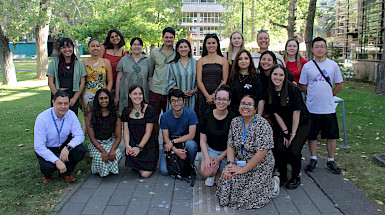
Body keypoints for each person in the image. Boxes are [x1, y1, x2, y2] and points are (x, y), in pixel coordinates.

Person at [216, 95, 280, 209]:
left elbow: (261, 153)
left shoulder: (263, 125)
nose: (245, 107)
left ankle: (272, 184)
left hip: (260, 164)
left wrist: (242, 170)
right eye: (243, 103)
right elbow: (230, 145)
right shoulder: (235, 122)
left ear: (255, 109)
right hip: (240, 160)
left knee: (244, 199)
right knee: (227, 185)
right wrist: (230, 165)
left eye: (249, 104)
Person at [299, 37, 343, 174]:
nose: (319, 49)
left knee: (331, 135)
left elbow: (339, 84)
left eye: (322, 46)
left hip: (328, 108)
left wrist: (330, 94)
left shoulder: (333, 65)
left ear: (326, 49)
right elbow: (303, 85)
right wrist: (312, 94)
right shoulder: (307, 66)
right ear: (312, 49)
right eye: (316, 47)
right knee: (312, 136)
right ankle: (313, 158)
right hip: (312, 107)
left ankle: (331, 160)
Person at [266, 64, 311, 189]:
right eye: (275, 74)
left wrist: (292, 134)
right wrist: (285, 132)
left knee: (293, 149)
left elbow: (297, 113)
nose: (278, 77)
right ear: (271, 75)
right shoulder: (269, 90)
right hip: (283, 124)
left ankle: (295, 176)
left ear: (285, 76)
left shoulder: (293, 89)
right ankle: (283, 175)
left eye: (281, 75)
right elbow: (275, 113)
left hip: (300, 123)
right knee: (280, 148)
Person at [34, 91, 86, 184]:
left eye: (66, 103)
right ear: (53, 103)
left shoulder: (71, 114)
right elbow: (39, 147)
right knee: (48, 167)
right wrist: (56, 160)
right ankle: (47, 175)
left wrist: (68, 147)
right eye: (60, 103)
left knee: (80, 150)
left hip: (63, 146)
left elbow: (80, 135)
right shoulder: (42, 118)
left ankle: (66, 173)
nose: (63, 107)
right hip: (48, 148)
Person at [200, 85, 236, 186]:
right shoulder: (206, 116)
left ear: (229, 102)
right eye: (219, 99)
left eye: (224, 99)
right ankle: (213, 173)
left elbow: (233, 144)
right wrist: (207, 158)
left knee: (222, 182)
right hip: (211, 151)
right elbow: (202, 140)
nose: (221, 102)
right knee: (207, 171)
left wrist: (219, 159)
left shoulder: (234, 118)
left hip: (227, 153)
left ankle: (219, 171)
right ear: (214, 100)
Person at [121, 85, 158, 178]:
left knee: (145, 174)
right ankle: (136, 163)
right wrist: (127, 146)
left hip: (147, 145)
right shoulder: (126, 111)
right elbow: (126, 131)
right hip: (133, 143)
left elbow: (148, 132)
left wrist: (139, 148)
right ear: (129, 95)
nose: (138, 96)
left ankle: (142, 164)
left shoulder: (149, 110)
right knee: (140, 170)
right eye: (135, 94)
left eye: (140, 94)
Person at [159, 89, 199, 176]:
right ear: (170, 102)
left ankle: (190, 165)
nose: (176, 104)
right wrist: (176, 150)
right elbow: (166, 138)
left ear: (184, 101)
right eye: (173, 101)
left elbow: (191, 135)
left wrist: (173, 142)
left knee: (192, 145)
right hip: (171, 145)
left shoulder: (191, 114)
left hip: (185, 142)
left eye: (179, 100)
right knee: (164, 171)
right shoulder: (164, 117)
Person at [86, 89, 123, 177]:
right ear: (97, 100)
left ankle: (107, 169)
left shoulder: (115, 115)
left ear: (109, 99)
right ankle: (97, 168)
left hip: (110, 142)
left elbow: (118, 137)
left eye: (106, 98)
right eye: (101, 98)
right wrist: (102, 150)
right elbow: (92, 137)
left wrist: (113, 150)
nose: (104, 101)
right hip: (96, 143)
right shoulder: (91, 115)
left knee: (114, 156)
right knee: (101, 158)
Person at [149, 27, 176, 141]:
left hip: (170, 91)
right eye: (166, 37)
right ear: (163, 38)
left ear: (174, 38)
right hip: (156, 90)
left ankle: (169, 145)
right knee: (154, 119)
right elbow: (151, 70)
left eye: (171, 37)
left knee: (170, 119)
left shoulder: (177, 52)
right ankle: (154, 144)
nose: (168, 39)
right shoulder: (155, 52)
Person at [47, 38, 86, 116]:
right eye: (64, 47)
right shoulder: (54, 63)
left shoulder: (79, 64)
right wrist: (58, 98)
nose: (67, 49)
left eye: (69, 46)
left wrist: (75, 98)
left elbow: (82, 82)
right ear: (60, 49)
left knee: (71, 121)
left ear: (73, 48)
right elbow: (50, 82)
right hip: (57, 94)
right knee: (57, 120)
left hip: (72, 96)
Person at [115, 37, 154, 112]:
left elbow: (150, 79)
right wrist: (117, 96)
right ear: (131, 46)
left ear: (142, 46)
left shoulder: (148, 61)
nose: (137, 47)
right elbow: (118, 79)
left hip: (142, 95)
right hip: (126, 94)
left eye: (139, 44)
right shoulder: (124, 60)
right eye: (134, 44)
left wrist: (150, 95)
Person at [196, 33, 229, 118]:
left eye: (213, 43)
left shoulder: (223, 61)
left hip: (219, 95)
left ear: (217, 44)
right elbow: (199, 80)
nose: (211, 45)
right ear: (205, 45)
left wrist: (215, 95)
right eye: (209, 43)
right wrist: (207, 96)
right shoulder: (200, 61)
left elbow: (224, 80)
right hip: (203, 95)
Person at [81, 39, 113, 123]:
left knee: (103, 115)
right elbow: (82, 81)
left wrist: (107, 94)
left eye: (97, 46)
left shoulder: (106, 62)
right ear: (88, 48)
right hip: (88, 94)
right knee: (89, 116)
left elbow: (110, 81)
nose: (95, 48)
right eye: (92, 46)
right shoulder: (83, 63)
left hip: (103, 93)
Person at [228, 49, 264, 116]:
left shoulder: (256, 77)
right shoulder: (232, 77)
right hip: (233, 114)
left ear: (250, 61)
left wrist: (258, 117)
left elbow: (261, 99)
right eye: (240, 59)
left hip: (251, 114)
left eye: (246, 58)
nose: (243, 61)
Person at [166, 39, 197, 110]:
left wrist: (195, 90)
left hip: (192, 98)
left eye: (185, 47)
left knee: (190, 117)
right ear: (177, 49)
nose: (183, 49)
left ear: (189, 49)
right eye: (181, 47)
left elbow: (199, 79)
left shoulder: (195, 63)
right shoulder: (172, 65)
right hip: (176, 98)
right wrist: (180, 92)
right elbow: (170, 81)